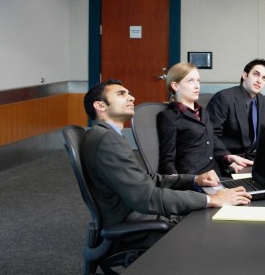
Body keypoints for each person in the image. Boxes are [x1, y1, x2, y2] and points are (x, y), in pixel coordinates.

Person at [82, 79, 250, 248]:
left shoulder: (107, 135)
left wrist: (193, 180)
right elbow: (146, 197)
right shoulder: (107, 140)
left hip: (136, 213)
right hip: (136, 222)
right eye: (121, 94)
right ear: (100, 106)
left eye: (129, 93)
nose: (131, 97)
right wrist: (210, 199)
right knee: (222, 229)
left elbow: (146, 178)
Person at [156, 62, 250, 176]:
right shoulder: (169, 117)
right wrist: (178, 184)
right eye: (190, 81)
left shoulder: (203, 112)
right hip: (194, 179)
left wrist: (228, 157)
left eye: (198, 80)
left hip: (215, 174)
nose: (197, 86)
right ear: (175, 86)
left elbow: (211, 140)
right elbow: (167, 160)